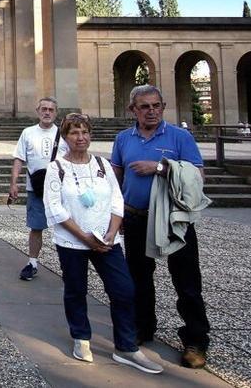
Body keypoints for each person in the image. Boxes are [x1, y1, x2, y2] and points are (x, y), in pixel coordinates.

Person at [44, 113, 163, 374]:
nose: (81, 137)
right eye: (75, 133)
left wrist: (111, 232)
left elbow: (116, 199)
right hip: (73, 241)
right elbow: (54, 208)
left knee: (123, 289)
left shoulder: (102, 164)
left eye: (85, 132)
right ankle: (81, 337)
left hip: (107, 239)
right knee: (76, 289)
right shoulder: (56, 167)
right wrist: (84, 237)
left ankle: (126, 346)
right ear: (65, 137)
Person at [112, 85, 211, 369]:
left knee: (187, 281)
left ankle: (195, 340)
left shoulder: (180, 136)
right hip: (136, 216)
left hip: (173, 217)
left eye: (156, 105)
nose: (152, 111)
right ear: (133, 110)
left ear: (163, 106)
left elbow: (197, 176)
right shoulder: (123, 139)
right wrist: (115, 216)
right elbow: (116, 180)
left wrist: (160, 167)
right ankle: (143, 328)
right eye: (144, 106)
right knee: (138, 278)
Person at [9, 97, 68, 281]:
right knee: (36, 226)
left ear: (56, 112)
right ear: (38, 111)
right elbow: (19, 158)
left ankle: (69, 265)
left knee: (66, 227)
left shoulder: (64, 134)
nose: (47, 112)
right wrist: (14, 182)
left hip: (61, 189)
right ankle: (32, 262)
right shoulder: (28, 133)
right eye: (44, 109)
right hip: (36, 188)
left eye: (51, 109)